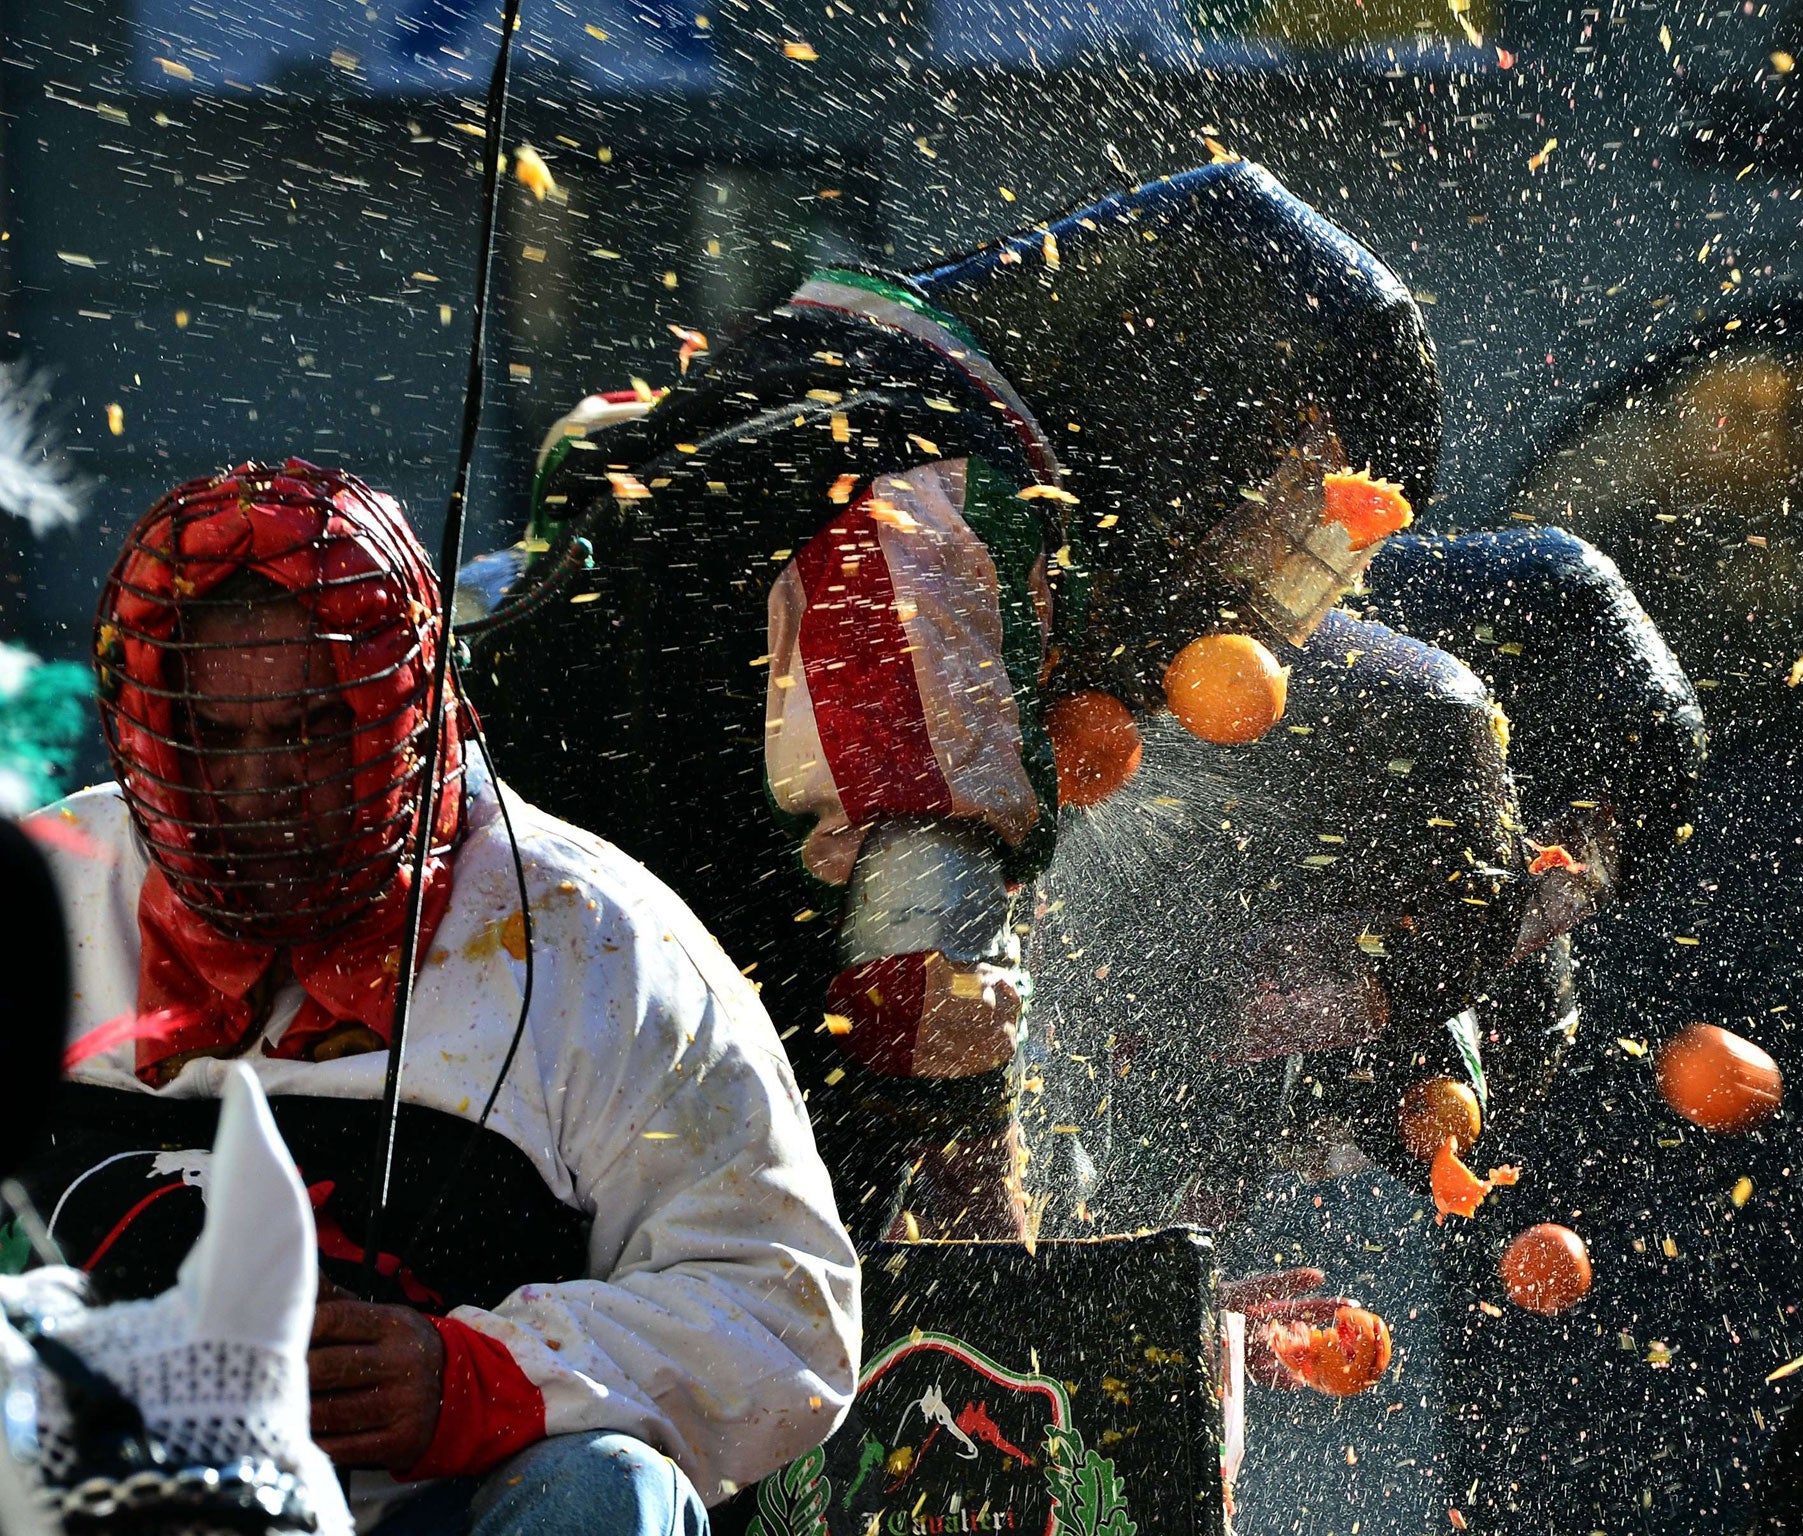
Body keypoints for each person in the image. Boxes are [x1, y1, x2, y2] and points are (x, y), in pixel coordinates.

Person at [465, 159, 1701, 1245]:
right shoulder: (930, 481)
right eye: (1286, 495)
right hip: (568, 1127)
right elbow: (921, 979)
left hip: (577, 1078)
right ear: (1194, 395)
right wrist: (1012, 1264)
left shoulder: (834, 402)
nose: (1259, 566)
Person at [23, 459, 861, 1535]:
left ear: (408, 714)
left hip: (446, 1513)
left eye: (310, 730)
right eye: (213, 738)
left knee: (603, 1489)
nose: (256, 786)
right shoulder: (42, 892)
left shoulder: (594, 945)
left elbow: (785, 1310)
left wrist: (476, 1375)